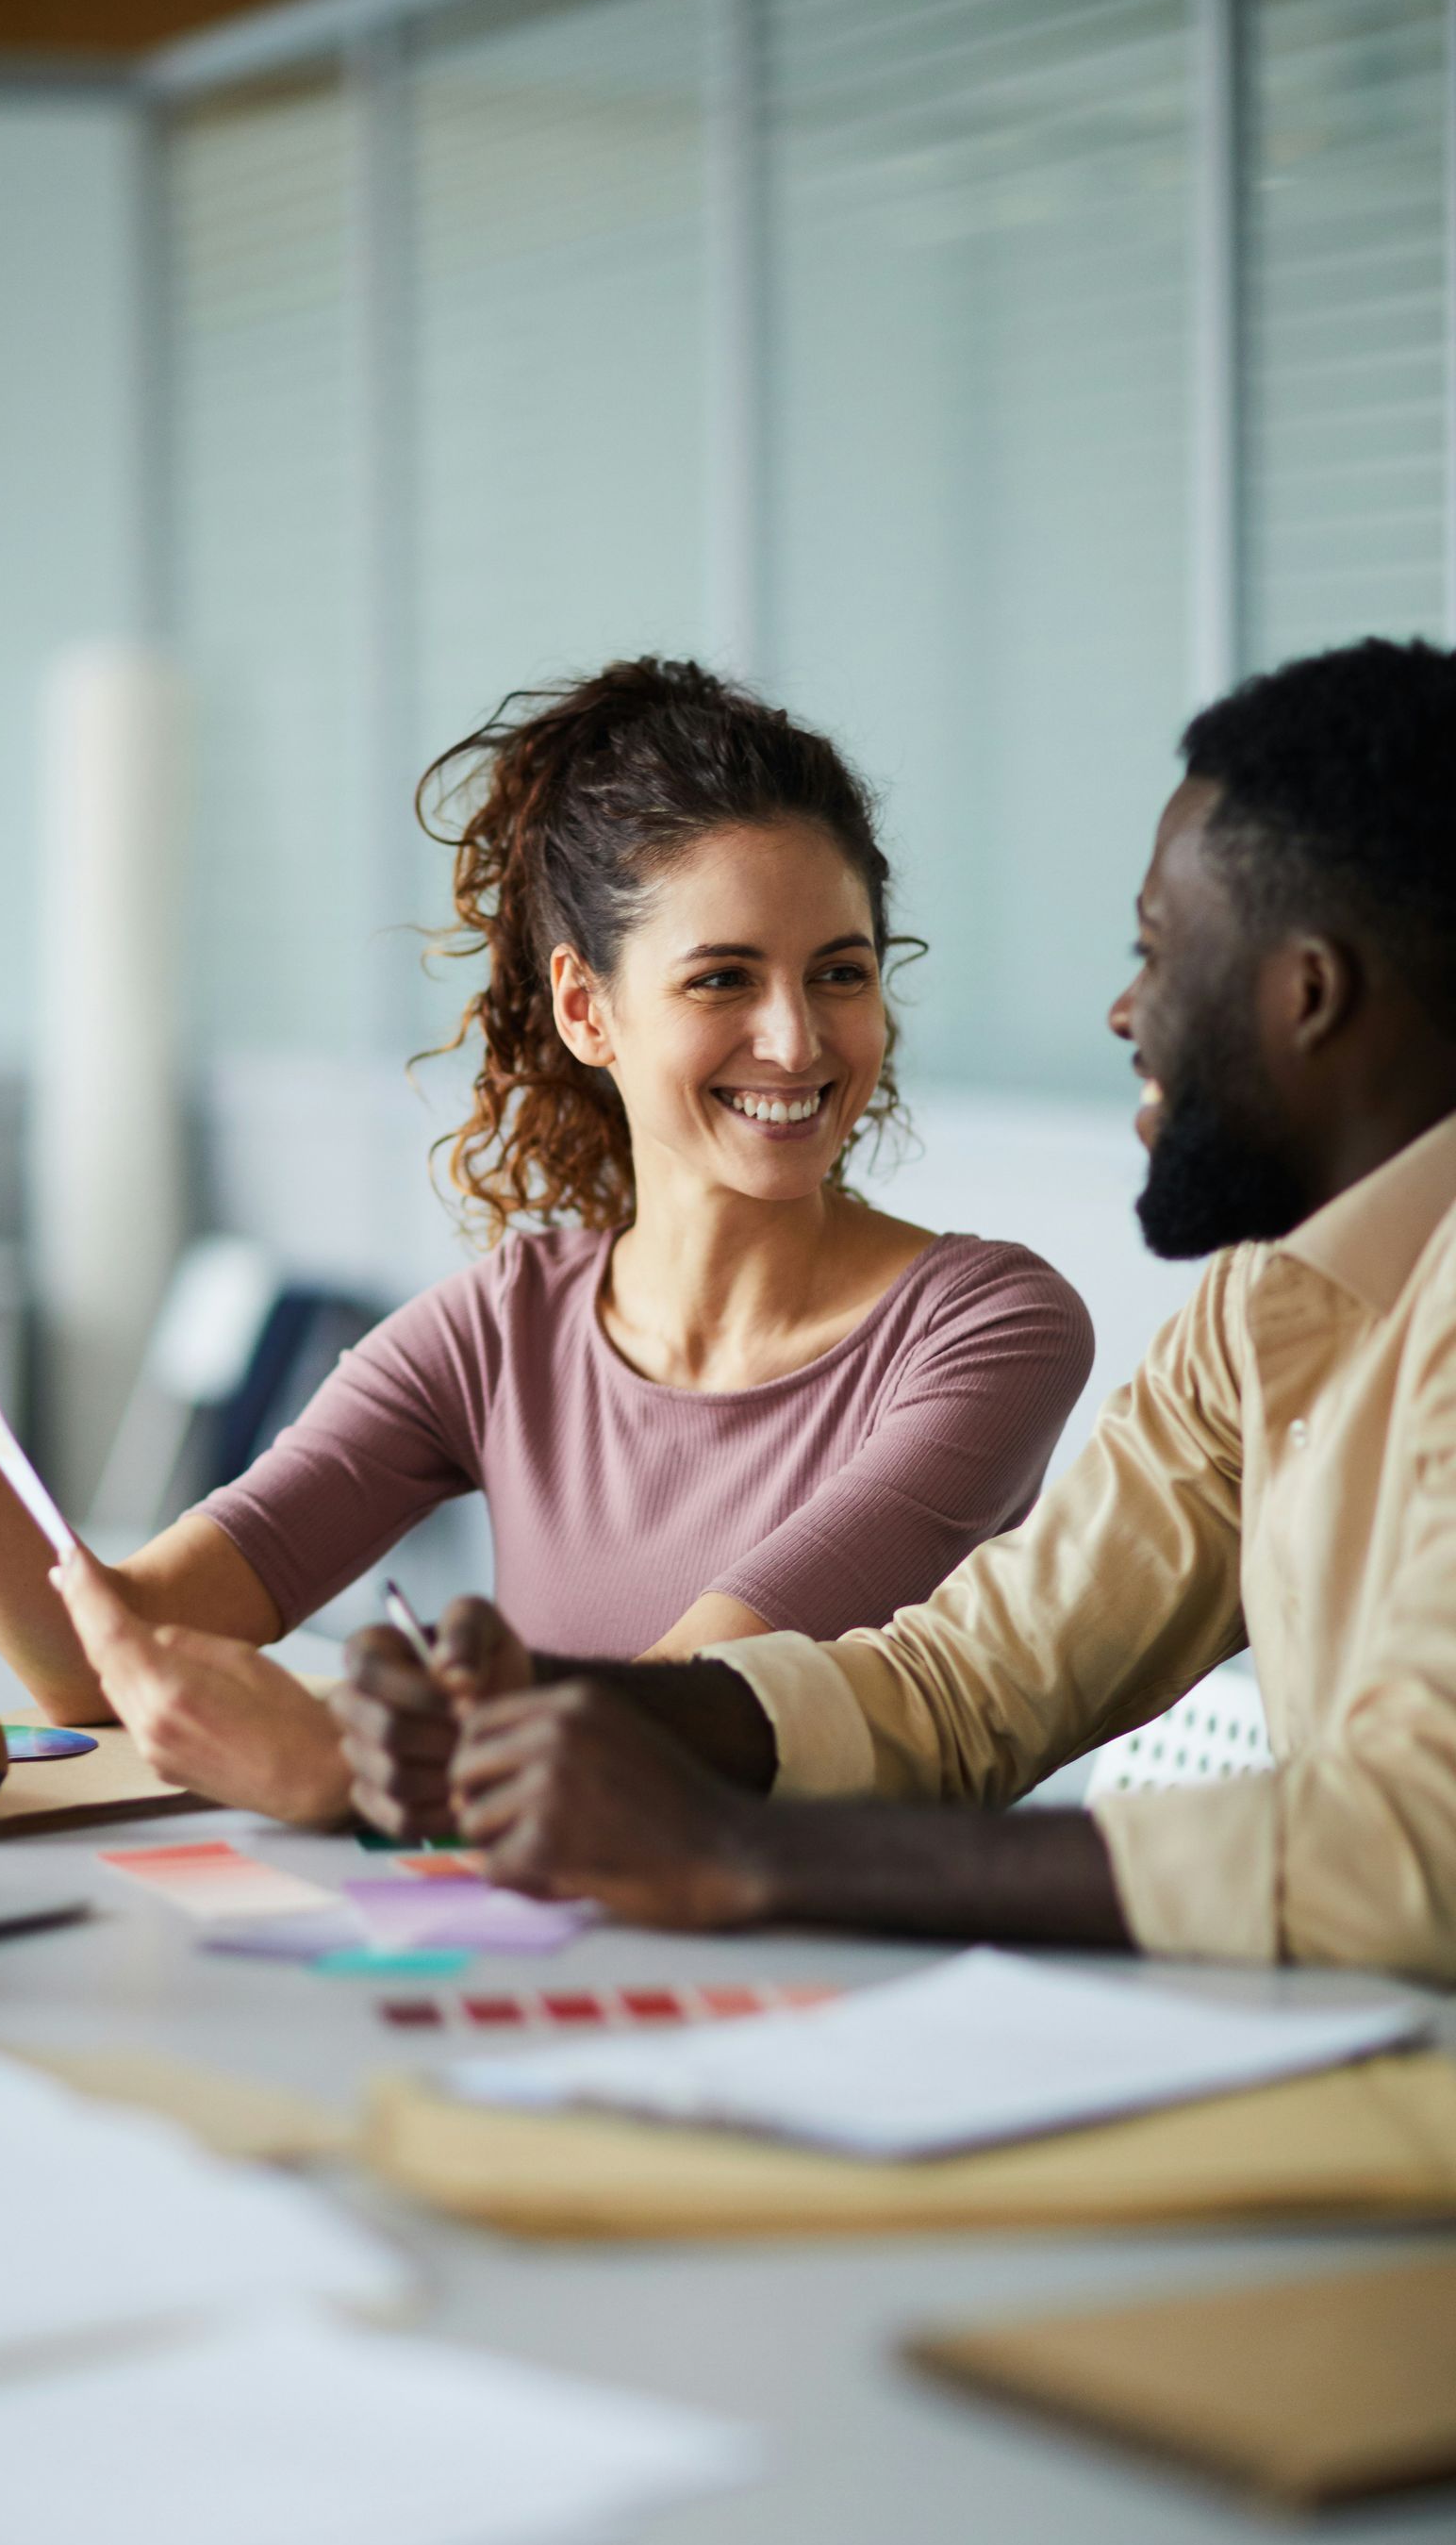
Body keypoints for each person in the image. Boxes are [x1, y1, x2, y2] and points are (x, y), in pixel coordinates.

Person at [0, 659, 1089, 1823]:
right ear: (587, 1007)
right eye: (723, 978)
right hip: (557, 1949)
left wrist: (348, 1760)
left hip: (852, 1983)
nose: (798, 1040)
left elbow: (701, 1712)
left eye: (841, 972)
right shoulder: (505, 1325)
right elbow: (100, 1654)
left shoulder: (987, 1329)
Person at [331, 637, 1456, 1984]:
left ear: (1306, 996)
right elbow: (968, 1684)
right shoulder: (1264, 1315)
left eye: (1156, 952)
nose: (1122, 1010)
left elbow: (1411, 1847)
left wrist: (742, 1854)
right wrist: (550, 1705)